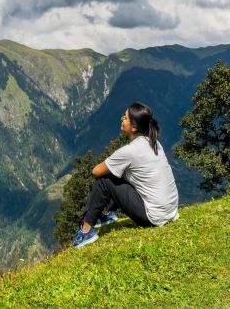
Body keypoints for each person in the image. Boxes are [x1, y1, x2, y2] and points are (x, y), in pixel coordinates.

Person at [72, 101, 179, 248]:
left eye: (126, 117)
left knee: (104, 180)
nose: (122, 118)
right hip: (171, 210)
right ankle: (107, 214)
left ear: (134, 127)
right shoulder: (154, 142)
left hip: (153, 217)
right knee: (119, 172)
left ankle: (85, 232)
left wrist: (112, 164)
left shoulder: (129, 151)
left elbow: (96, 171)